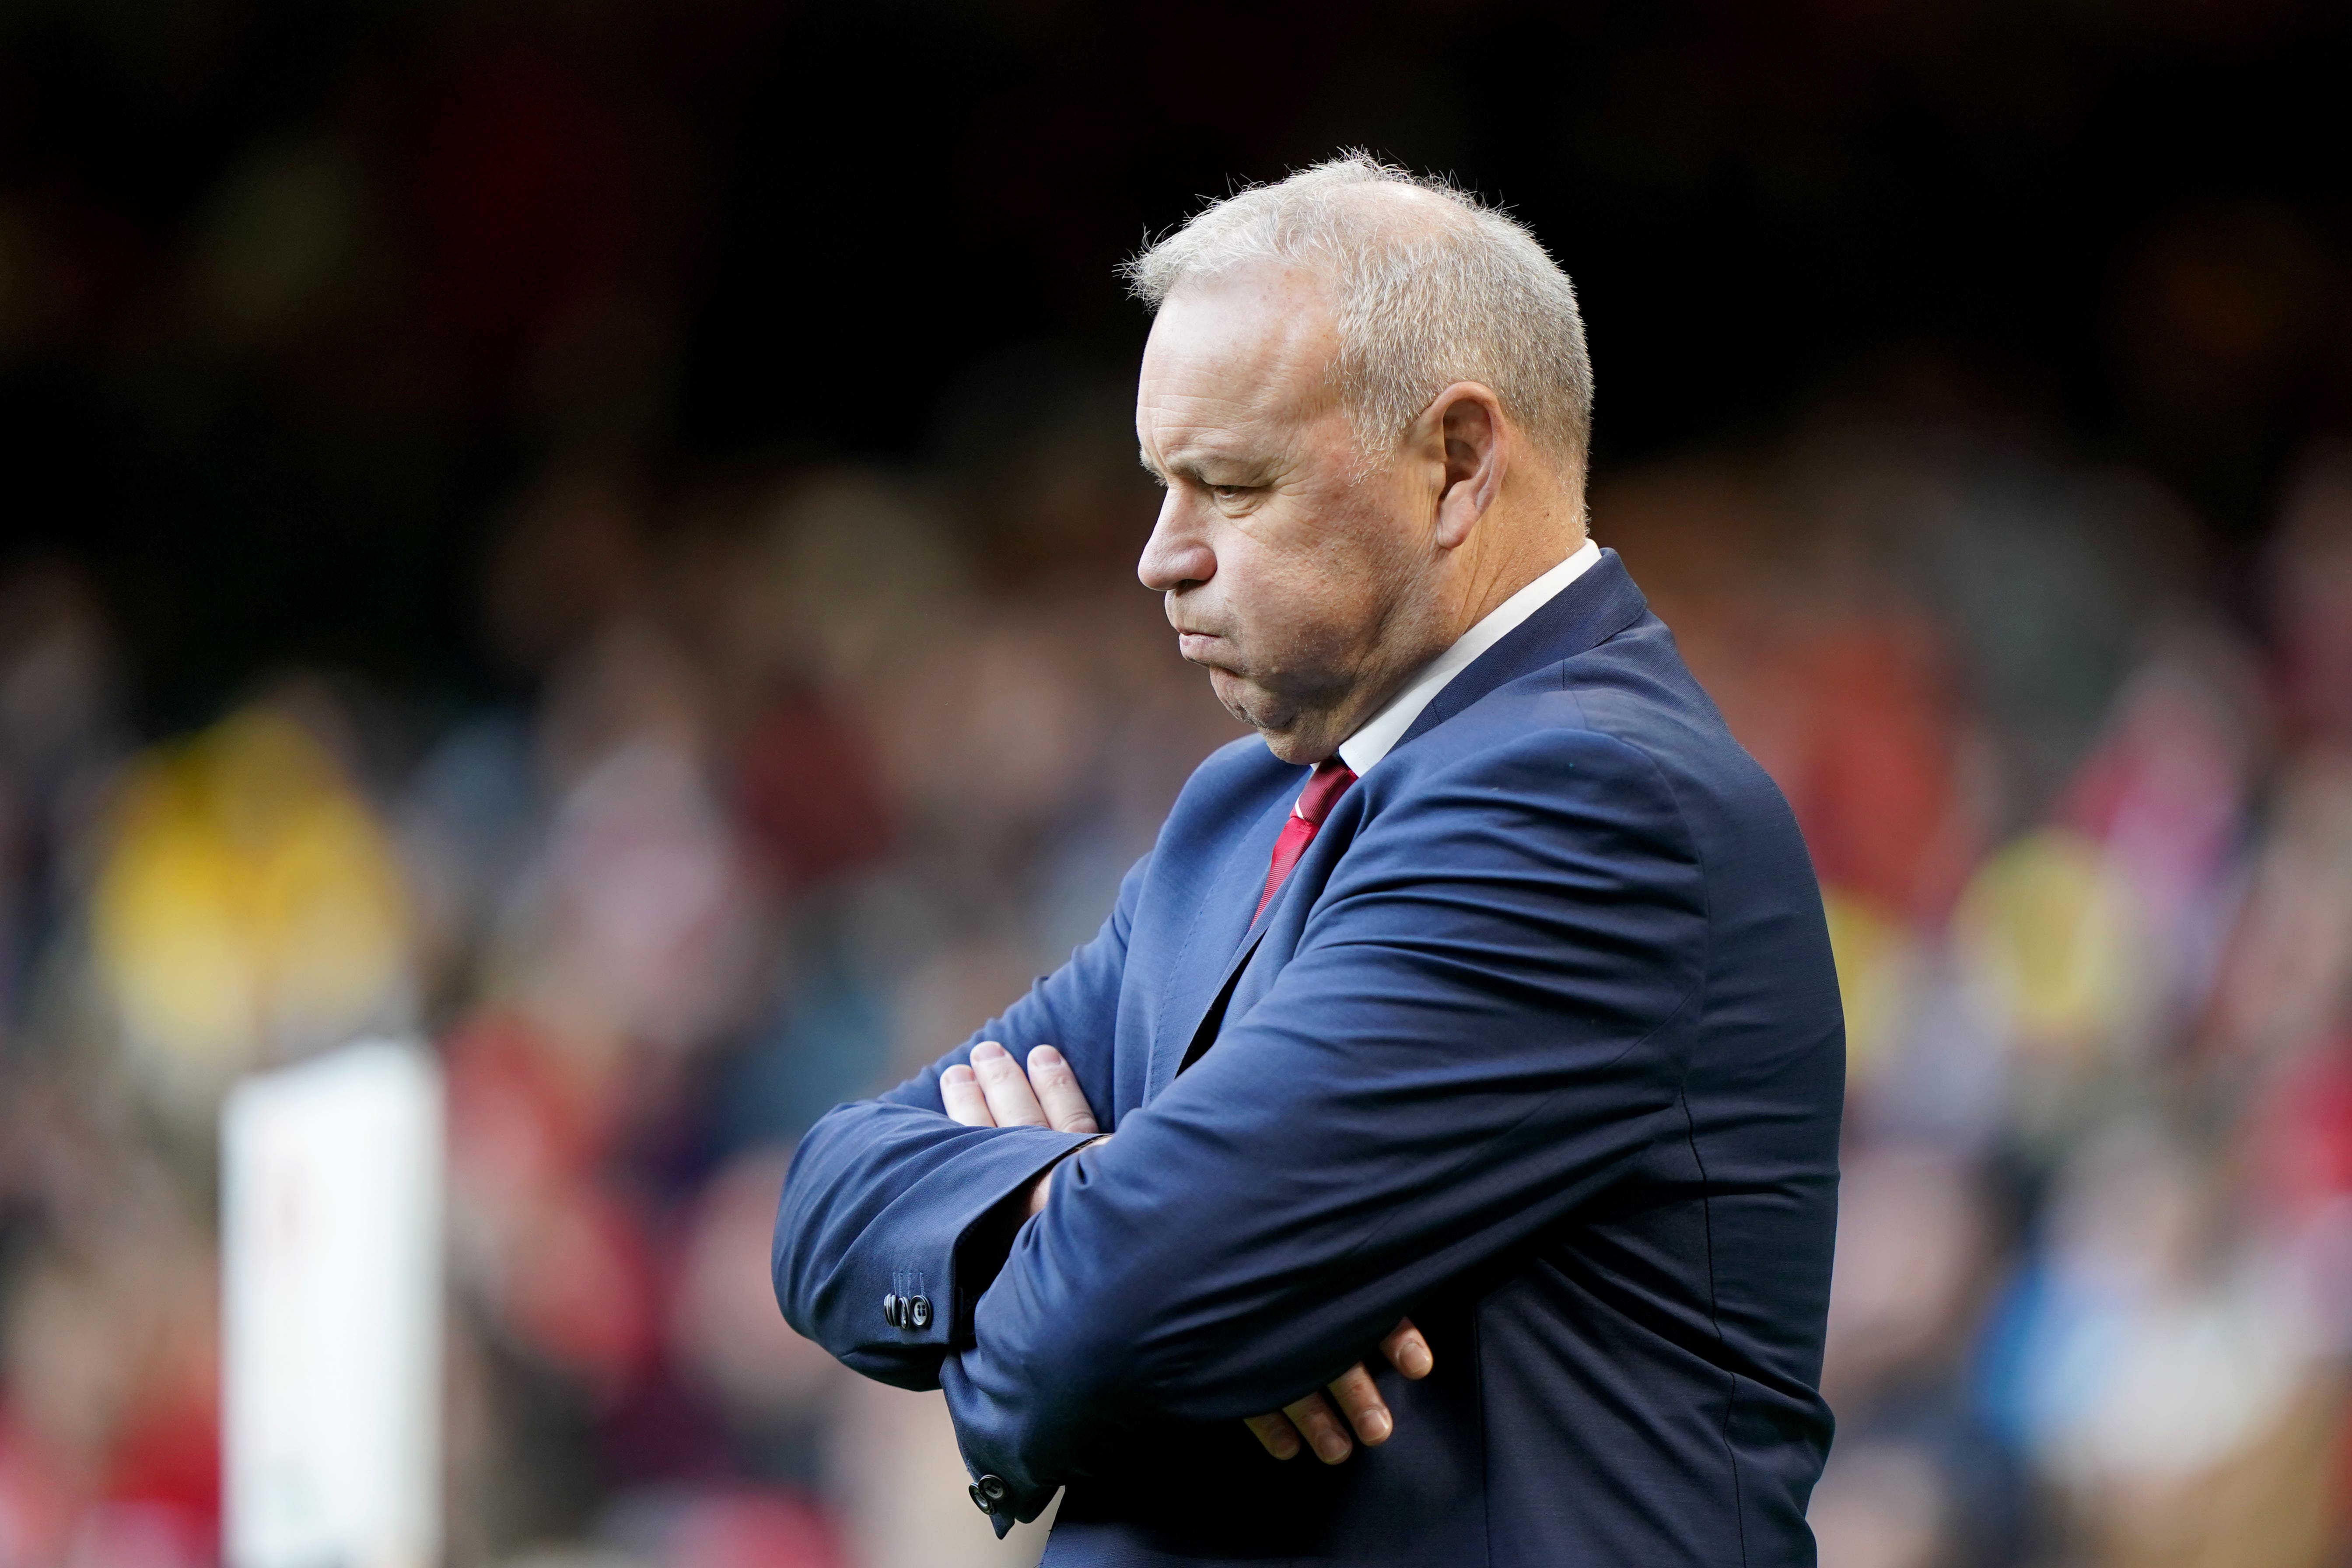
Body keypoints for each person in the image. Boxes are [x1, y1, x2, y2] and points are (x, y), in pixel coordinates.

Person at [772, 154, 1844, 1567]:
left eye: (1228, 485)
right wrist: (1083, 1201)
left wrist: (1141, 1281)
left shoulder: (1594, 801)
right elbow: (824, 1204)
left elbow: (1106, 1322)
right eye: (1164, 485)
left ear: (1459, 465)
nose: (1162, 558)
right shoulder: (1241, 811)